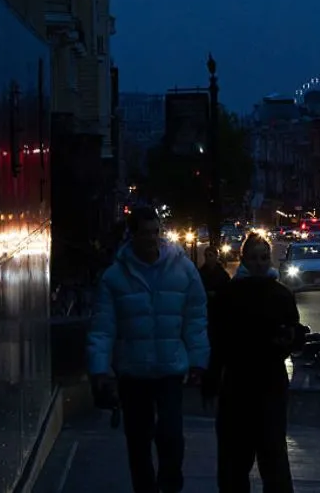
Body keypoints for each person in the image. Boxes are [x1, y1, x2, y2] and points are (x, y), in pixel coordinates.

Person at [87, 205, 210, 493]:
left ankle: (169, 483)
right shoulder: (115, 277)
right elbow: (103, 327)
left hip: (169, 368)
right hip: (133, 370)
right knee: (138, 439)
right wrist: (99, 369)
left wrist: (198, 362)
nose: (152, 239)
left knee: (171, 435)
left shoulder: (183, 269)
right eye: (146, 233)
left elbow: (195, 319)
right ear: (133, 236)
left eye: (156, 232)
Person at [202, 233, 303, 493]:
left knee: (272, 458)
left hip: (268, 384)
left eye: (264, 258)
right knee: (238, 460)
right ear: (244, 259)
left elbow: (294, 331)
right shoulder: (229, 295)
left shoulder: (281, 295)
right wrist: (211, 382)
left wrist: (290, 337)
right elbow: (218, 342)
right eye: (254, 258)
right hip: (238, 385)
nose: (259, 263)